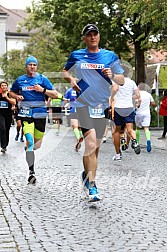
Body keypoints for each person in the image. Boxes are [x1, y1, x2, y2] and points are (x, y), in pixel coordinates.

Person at [63, 24, 124, 201]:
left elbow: (121, 80)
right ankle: (92, 184)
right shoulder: (77, 55)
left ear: (99, 36)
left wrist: (112, 75)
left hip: (102, 105)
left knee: (94, 148)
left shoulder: (109, 56)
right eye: (88, 35)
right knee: (90, 145)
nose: (92, 37)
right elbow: (65, 70)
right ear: (84, 38)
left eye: (95, 34)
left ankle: (86, 175)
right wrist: (71, 78)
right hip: (83, 104)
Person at [10, 56, 62, 184]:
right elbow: (11, 92)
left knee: (36, 146)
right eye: (30, 65)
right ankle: (31, 171)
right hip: (26, 113)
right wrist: (17, 96)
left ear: (37, 66)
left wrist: (42, 90)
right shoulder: (20, 80)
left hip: (40, 114)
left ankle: (29, 150)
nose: (32, 66)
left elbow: (55, 94)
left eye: (34, 65)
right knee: (30, 141)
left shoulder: (42, 79)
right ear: (26, 66)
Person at [110, 75, 141, 161]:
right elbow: (138, 95)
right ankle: (135, 141)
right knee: (130, 129)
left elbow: (115, 89)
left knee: (117, 131)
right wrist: (130, 97)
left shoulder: (116, 81)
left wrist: (111, 97)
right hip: (129, 108)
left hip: (118, 108)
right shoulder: (132, 82)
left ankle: (117, 155)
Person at [135, 83, 155, 152]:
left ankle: (137, 142)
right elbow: (153, 103)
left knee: (137, 128)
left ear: (139, 88)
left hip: (138, 113)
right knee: (146, 128)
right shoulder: (148, 94)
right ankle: (148, 140)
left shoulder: (137, 95)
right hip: (146, 113)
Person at [0, 81, 16, 153]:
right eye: (2, 85)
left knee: (6, 129)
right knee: (2, 128)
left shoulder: (10, 94)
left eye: (5, 85)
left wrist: (7, 98)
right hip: (0, 114)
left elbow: (14, 102)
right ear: (0, 87)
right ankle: (2, 145)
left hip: (8, 114)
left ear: (7, 87)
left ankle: (5, 145)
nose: (3, 87)